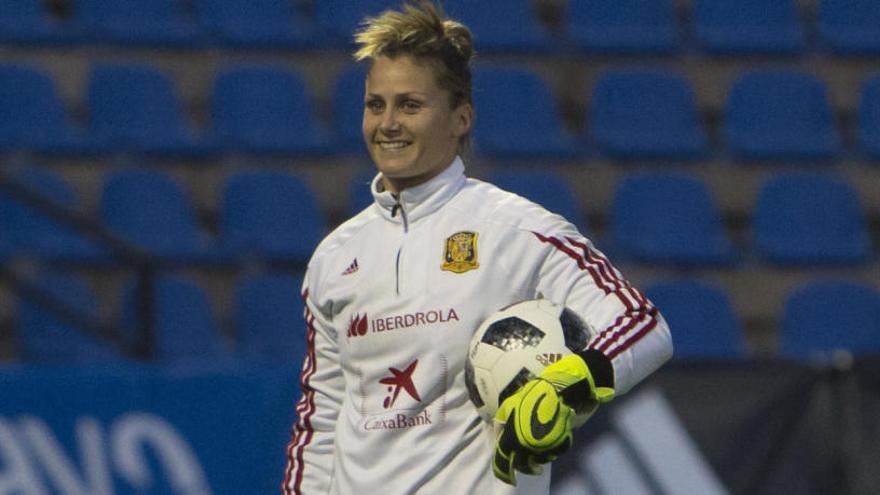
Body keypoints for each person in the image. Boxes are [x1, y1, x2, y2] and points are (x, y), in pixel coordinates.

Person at [282, 2, 672, 493]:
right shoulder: (334, 257)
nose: (389, 123)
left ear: (460, 117)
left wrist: (565, 383)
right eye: (375, 104)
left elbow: (642, 324)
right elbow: (320, 421)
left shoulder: (518, 231)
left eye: (410, 105)